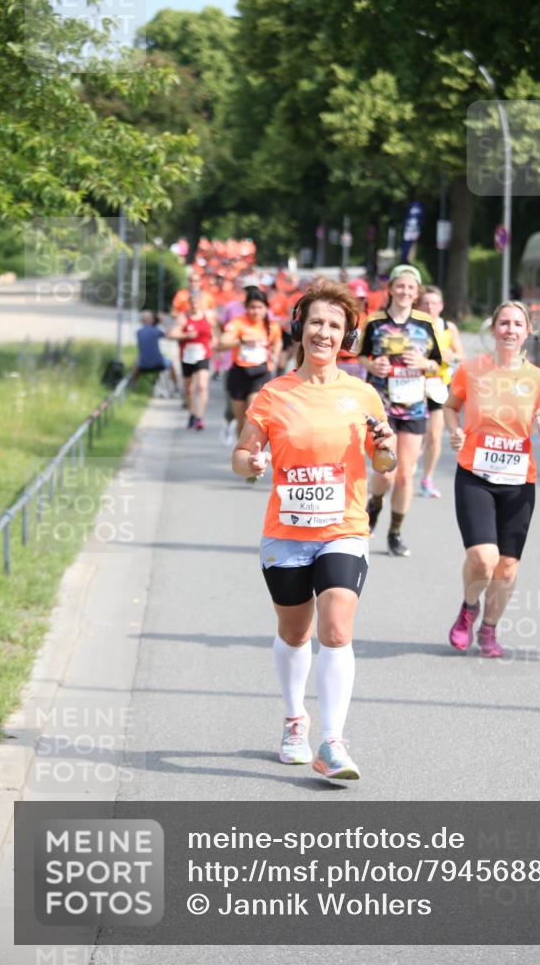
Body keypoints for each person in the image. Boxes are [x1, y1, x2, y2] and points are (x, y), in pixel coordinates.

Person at [232, 280, 395, 782]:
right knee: (294, 632)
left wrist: (386, 448)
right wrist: (251, 463)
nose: (324, 332)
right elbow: (241, 456)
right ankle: (293, 719)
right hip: (286, 533)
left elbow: (383, 463)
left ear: (347, 337)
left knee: (337, 629)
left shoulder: (363, 394)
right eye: (317, 323)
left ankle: (333, 741)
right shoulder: (273, 394)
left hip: (343, 528)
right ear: (300, 328)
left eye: (335, 325)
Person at [443, 301, 540, 657]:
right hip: (475, 475)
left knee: (506, 568)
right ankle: (468, 608)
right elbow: (451, 407)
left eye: (517, 324)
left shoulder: (538, 379)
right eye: (504, 323)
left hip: (518, 481)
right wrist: (454, 431)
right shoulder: (471, 370)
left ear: (528, 332)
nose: (510, 330)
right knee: (483, 558)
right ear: (493, 329)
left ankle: (489, 628)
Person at [358, 264, 442, 556]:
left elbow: (438, 363)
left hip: (414, 407)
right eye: (400, 286)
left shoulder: (426, 323)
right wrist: (373, 365)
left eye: (411, 287)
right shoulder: (375, 321)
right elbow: (362, 356)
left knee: (405, 475)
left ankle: (395, 533)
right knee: (386, 473)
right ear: (391, 289)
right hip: (381, 407)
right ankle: (375, 504)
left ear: (417, 293)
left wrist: (424, 364)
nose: (405, 291)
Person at [416, 286, 465, 499]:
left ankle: (427, 479)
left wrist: (450, 356)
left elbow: (460, 354)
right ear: (419, 305)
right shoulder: (411, 325)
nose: (430, 307)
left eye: (434, 303)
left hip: (438, 384)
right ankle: (410, 461)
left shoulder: (448, 327)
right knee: (417, 434)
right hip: (414, 385)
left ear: (441, 306)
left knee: (434, 435)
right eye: (426, 303)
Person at [218, 287, 283, 437]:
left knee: (251, 418)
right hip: (239, 373)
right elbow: (221, 343)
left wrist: (275, 353)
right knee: (241, 421)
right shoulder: (238, 323)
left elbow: (277, 341)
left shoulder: (271, 326)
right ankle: (239, 447)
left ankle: (250, 448)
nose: (256, 311)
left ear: (266, 308)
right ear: (246, 308)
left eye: (260, 307)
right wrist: (241, 340)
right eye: (252, 307)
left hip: (261, 373)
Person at [167, 291, 215, 430]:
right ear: (189, 304)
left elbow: (216, 330)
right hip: (187, 355)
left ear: (201, 303)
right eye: (192, 303)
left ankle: (199, 417)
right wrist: (186, 335)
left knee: (202, 386)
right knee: (188, 389)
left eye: (197, 303)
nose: (194, 305)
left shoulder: (208, 315)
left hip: (203, 354)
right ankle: (192, 413)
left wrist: (215, 340)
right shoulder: (183, 317)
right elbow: (172, 334)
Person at [132, 311, 178, 391]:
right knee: (171, 364)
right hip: (159, 363)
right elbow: (170, 334)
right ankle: (176, 387)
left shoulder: (139, 332)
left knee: (136, 363)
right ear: (151, 320)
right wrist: (163, 321)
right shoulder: (155, 331)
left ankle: (134, 386)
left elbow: (147, 331)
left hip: (143, 365)